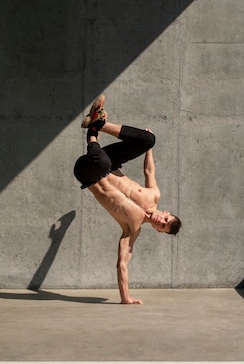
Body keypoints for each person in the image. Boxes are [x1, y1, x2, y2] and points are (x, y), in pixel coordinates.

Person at [74, 95, 181, 305]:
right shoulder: (154, 195)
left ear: (159, 231)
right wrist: (146, 147)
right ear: (166, 213)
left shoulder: (132, 229)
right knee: (149, 139)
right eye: (167, 220)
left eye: (163, 227)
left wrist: (126, 298)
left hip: (88, 172)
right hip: (109, 163)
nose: (162, 222)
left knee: (103, 164)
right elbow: (149, 170)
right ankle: (100, 123)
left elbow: (122, 264)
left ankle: (92, 132)